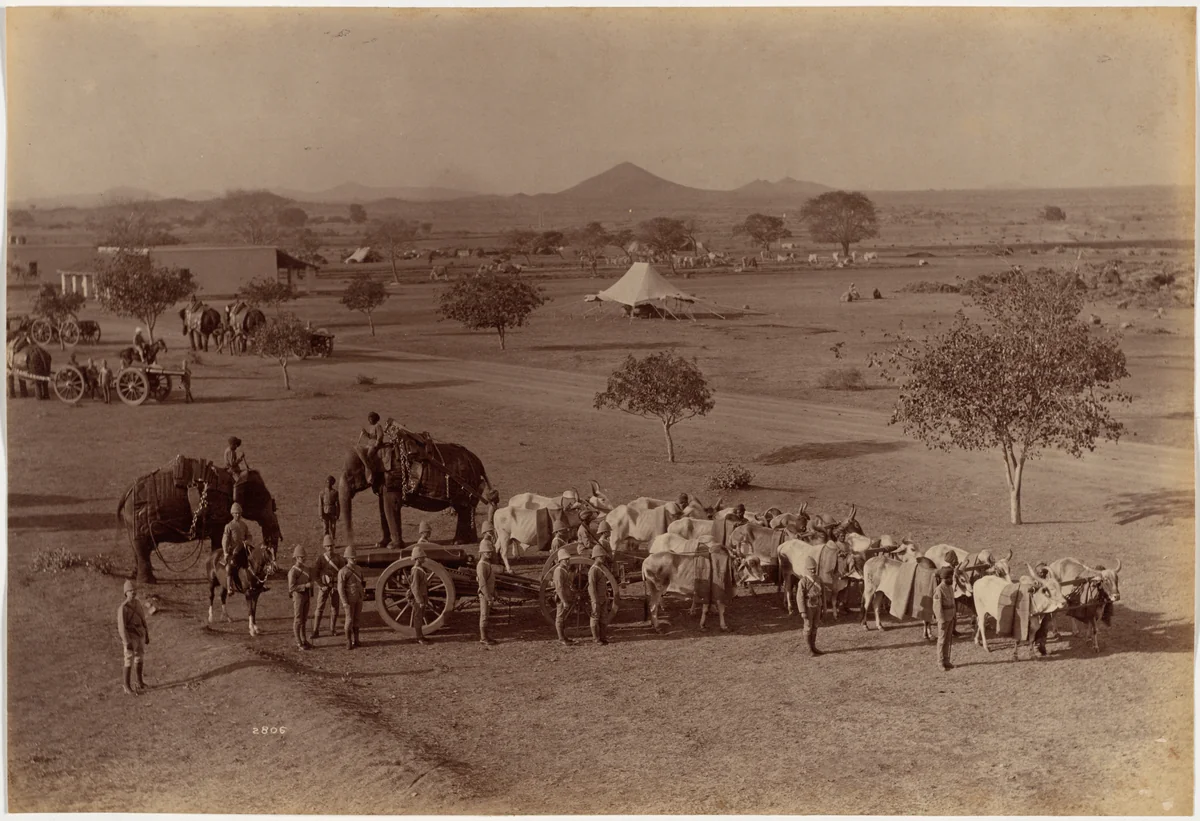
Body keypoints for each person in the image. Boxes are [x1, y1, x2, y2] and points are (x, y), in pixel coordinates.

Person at [117, 580, 150, 695]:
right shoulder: (123, 608)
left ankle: (139, 682)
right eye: (130, 591)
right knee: (128, 660)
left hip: (140, 634)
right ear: (126, 593)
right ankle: (126, 686)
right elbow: (121, 627)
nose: (133, 592)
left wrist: (147, 634)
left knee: (139, 657)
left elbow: (143, 619)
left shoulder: (137, 603)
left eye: (134, 590)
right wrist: (127, 642)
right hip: (130, 636)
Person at [312, 534, 342, 639]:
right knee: (319, 608)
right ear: (324, 547)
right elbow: (315, 574)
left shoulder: (339, 558)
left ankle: (332, 629)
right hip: (324, 586)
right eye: (327, 546)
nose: (330, 548)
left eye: (331, 546)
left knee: (334, 608)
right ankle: (315, 631)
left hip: (335, 587)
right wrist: (321, 585)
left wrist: (338, 585)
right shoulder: (320, 559)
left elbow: (342, 572)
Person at [337, 546, 365, 649]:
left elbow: (362, 582)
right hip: (349, 599)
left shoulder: (359, 569)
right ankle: (348, 641)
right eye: (351, 558)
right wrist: (344, 602)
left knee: (357, 619)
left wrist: (362, 594)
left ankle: (356, 639)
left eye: (354, 558)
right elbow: (340, 588)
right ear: (347, 559)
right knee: (349, 620)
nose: (354, 559)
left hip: (358, 597)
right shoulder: (343, 572)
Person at [288, 545, 314, 650]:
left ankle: (304, 640)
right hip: (298, 597)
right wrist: (305, 586)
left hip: (306, 596)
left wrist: (311, 584)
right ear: (296, 558)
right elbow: (291, 587)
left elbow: (311, 579)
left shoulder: (307, 569)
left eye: (304, 557)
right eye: (301, 557)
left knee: (304, 619)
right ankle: (298, 642)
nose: (303, 559)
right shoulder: (293, 571)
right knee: (298, 619)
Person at [221, 503, 251, 592]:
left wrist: (248, 541)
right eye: (235, 513)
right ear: (232, 514)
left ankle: (255, 584)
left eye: (239, 513)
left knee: (252, 564)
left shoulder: (244, 525)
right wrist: (225, 552)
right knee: (230, 567)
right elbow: (224, 540)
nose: (237, 515)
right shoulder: (229, 526)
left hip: (243, 550)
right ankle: (229, 587)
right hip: (233, 551)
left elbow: (249, 535)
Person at [798, 557, 824, 657]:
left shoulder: (819, 579)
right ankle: (809, 649)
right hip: (808, 606)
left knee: (815, 626)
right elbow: (799, 597)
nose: (813, 570)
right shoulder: (803, 581)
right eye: (810, 569)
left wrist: (823, 607)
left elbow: (823, 594)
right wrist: (802, 611)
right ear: (806, 569)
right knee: (808, 627)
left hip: (818, 605)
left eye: (814, 568)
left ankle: (814, 647)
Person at [476, 533, 498, 646]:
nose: (489, 554)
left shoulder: (486, 563)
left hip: (488, 593)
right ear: (482, 553)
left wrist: (494, 593)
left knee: (486, 615)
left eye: (490, 552)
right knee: (484, 615)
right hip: (484, 594)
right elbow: (483, 583)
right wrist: (488, 597)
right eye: (487, 552)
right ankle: (483, 638)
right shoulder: (481, 565)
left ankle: (486, 636)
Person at [588, 545, 611, 646]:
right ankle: (596, 638)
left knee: (603, 618)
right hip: (597, 599)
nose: (603, 558)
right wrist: (595, 600)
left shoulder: (600, 568)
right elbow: (592, 587)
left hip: (603, 598)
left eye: (603, 556)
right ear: (596, 557)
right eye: (601, 557)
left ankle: (603, 637)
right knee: (595, 618)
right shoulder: (593, 570)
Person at [934, 566, 956, 670]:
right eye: (950, 577)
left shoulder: (950, 588)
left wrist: (954, 615)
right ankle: (940, 662)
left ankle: (946, 660)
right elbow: (937, 607)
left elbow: (953, 602)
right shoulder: (939, 589)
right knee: (941, 641)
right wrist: (941, 620)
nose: (952, 580)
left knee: (948, 640)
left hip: (951, 617)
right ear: (945, 578)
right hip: (944, 619)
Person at [552, 548, 576, 646]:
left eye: (568, 559)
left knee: (563, 618)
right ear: (560, 560)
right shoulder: (558, 571)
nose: (567, 561)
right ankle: (561, 638)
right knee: (560, 618)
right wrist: (564, 601)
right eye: (565, 559)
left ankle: (564, 637)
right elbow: (559, 588)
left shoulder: (563, 570)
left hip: (566, 596)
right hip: (562, 598)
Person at [356, 412, 385, 485]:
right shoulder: (372, 427)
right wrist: (365, 433)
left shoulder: (378, 426)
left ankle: (372, 471)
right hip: (370, 444)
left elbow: (380, 435)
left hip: (375, 445)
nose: (369, 420)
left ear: (374, 419)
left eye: (371, 419)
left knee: (369, 455)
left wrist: (377, 443)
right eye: (369, 419)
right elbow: (370, 436)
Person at [318, 476, 340, 541]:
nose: (328, 484)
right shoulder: (322, 493)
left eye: (330, 482)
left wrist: (338, 514)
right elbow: (320, 504)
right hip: (325, 512)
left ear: (332, 483)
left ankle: (332, 541)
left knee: (333, 527)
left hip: (333, 512)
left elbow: (338, 504)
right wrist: (320, 514)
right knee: (325, 528)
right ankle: (326, 541)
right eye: (327, 482)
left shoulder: (335, 492)